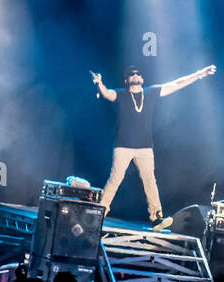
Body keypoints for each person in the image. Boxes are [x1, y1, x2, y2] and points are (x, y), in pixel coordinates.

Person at [92, 63, 216, 230]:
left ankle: (156, 218)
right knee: (115, 179)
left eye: (138, 74)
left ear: (142, 79)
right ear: (127, 80)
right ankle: (100, 213)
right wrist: (100, 83)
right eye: (131, 74)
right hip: (123, 146)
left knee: (150, 181)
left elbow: (176, 84)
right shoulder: (121, 95)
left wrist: (199, 74)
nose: (135, 76)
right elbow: (107, 94)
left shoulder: (150, 93)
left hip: (145, 148)